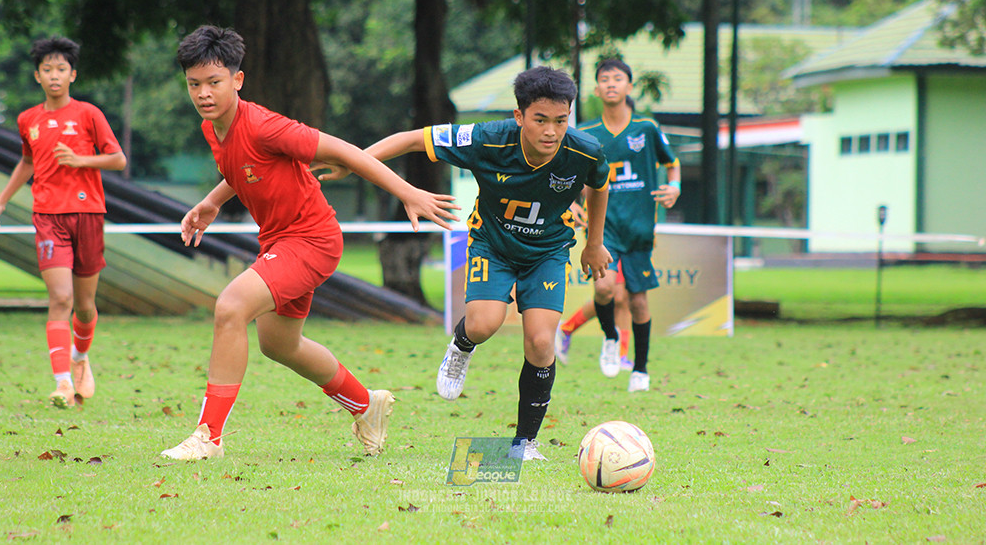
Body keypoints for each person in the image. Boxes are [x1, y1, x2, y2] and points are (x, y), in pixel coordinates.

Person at [160, 25, 459, 460]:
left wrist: (407, 192)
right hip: (280, 240)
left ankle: (209, 437)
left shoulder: (265, 125)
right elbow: (241, 166)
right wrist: (211, 202)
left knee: (230, 308)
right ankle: (365, 404)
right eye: (194, 84)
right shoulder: (214, 128)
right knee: (279, 344)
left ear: (237, 81)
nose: (203, 93)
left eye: (214, 82)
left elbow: (346, 151)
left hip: (311, 240)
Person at [342, 66, 612, 461]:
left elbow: (600, 185)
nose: (551, 131)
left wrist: (595, 244)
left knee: (541, 342)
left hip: (549, 250)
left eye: (560, 120)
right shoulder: (487, 138)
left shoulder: (585, 150)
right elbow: (410, 140)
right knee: (485, 323)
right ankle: (462, 345)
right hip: (493, 245)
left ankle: (524, 443)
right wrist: (351, 162)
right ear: (519, 117)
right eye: (540, 120)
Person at [0, 37, 126, 409]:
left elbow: (117, 160)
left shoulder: (88, 114)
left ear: (72, 74)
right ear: (37, 76)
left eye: (61, 69)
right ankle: (62, 383)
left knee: (84, 306)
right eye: (47, 69)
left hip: (89, 216)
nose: (54, 75)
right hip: (48, 217)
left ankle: (80, 359)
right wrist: (0, 203)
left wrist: (82, 161)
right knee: (60, 298)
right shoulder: (27, 120)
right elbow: (27, 162)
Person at [567, 59, 680, 392]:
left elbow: (672, 164)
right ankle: (611, 337)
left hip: (640, 229)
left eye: (618, 79)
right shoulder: (585, 133)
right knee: (604, 289)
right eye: (605, 79)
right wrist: (573, 204)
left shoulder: (646, 128)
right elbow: (571, 176)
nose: (611, 84)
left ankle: (641, 370)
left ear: (629, 86)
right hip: (603, 229)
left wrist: (675, 187)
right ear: (597, 89)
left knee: (638, 301)